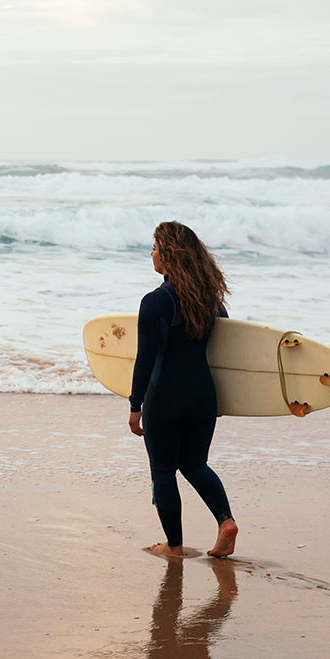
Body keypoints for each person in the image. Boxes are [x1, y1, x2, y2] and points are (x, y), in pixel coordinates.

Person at [128, 221, 238, 559]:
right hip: (204, 395)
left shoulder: (155, 302)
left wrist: (136, 406)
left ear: (169, 255)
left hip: (166, 397)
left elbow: (144, 361)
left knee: (163, 470)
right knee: (195, 464)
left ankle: (173, 546)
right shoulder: (211, 300)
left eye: (156, 248)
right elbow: (225, 353)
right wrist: (224, 399)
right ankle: (226, 521)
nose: (152, 253)